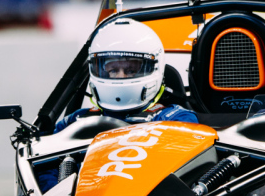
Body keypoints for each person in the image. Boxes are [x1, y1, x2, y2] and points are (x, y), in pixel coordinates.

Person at [54, 17, 196, 131]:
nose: (121, 77)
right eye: (113, 70)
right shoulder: (77, 120)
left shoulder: (176, 119)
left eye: (130, 71)